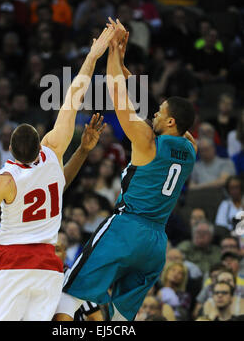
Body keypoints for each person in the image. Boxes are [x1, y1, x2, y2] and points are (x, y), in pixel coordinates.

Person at [0, 24, 117, 321]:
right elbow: (74, 94)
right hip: (48, 267)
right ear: (40, 143)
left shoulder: (3, 180)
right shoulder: (53, 150)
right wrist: (93, 55)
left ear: (10, 150)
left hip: (12, 263)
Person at [54, 18, 197, 321]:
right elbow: (149, 109)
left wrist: (111, 53)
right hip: (157, 243)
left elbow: (118, 95)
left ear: (170, 122)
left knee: (70, 292)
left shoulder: (147, 141)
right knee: (122, 319)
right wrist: (122, 60)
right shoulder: (191, 148)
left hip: (127, 227)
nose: (154, 114)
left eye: (160, 113)